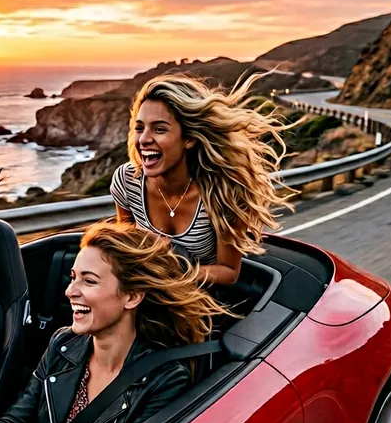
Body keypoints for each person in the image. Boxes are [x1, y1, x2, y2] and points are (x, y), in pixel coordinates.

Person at [0, 221, 226, 423]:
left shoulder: (165, 379)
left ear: (132, 296)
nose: (70, 291)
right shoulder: (63, 344)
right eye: (73, 277)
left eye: (89, 281)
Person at [110, 72, 291, 285]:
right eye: (139, 128)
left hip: (204, 298)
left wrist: (170, 277)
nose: (143, 139)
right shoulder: (127, 181)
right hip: (147, 294)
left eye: (159, 129)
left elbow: (229, 272)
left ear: (189, 138)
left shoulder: (223, 190)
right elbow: (128, 251)